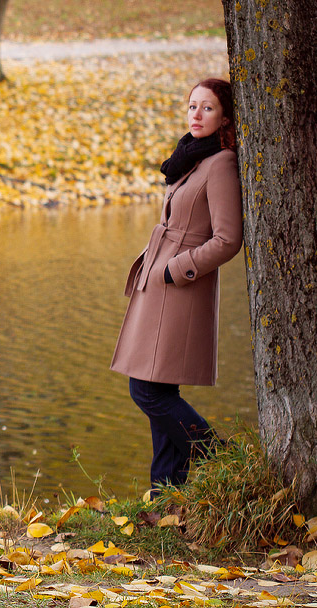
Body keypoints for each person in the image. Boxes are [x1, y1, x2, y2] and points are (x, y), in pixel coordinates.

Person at [109, 77, 243, 492]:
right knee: (158, 387)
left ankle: (218, 456)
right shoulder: (191, 157)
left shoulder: (220, 162)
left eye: (207, 108)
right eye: (192, 107)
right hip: (161, 287)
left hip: (179, 289)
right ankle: (165, 493)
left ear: (224, 118)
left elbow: (227, 239)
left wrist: (176, 268)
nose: (196, 115)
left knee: (147, 391)